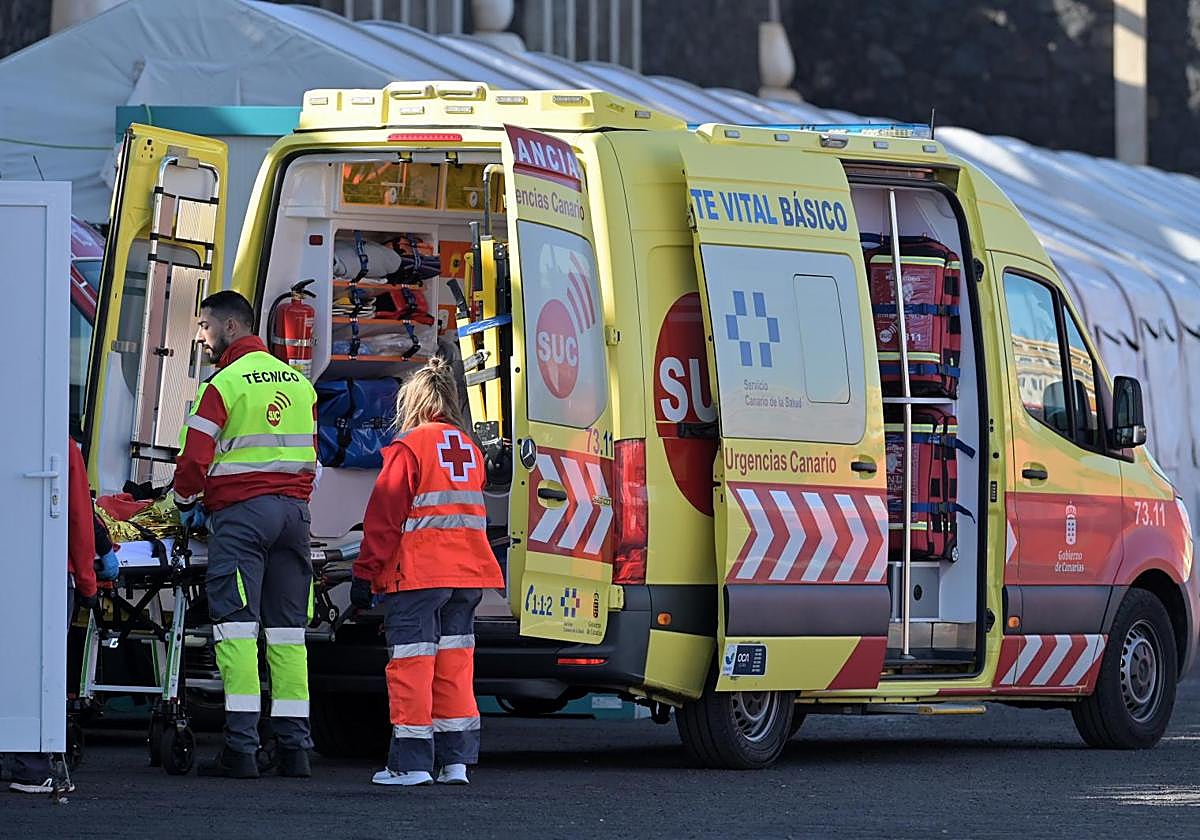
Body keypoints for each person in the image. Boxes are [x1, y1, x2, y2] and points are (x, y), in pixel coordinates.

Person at [173, 290, 318, 779]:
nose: (201, 336)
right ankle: (295, 749)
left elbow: (193, 460)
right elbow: (309, 457)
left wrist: (185, 505)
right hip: (294, 518)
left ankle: (240, 749)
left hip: (242, 518)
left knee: (236, 630)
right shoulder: (299, 385)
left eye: (205, 325)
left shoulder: (224, 385)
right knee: (287, 635)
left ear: (232, 327)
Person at [350, 358, 503, 786]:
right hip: (468, 575)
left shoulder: (410, 447)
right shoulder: (468, 449)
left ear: (411, 401)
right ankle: (456, 762)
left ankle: (410, 764)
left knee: (412, 665)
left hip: (420, 576)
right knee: (454, 666)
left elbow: (384, 517)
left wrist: (366, 573)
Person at [8, 438, 116, 794]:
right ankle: (33, 766)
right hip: (50, 574)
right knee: (42, 667)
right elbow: (77, 517)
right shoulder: (58, 442)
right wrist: (88, 582)